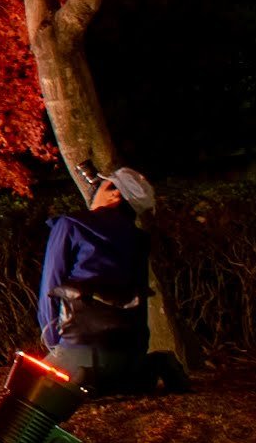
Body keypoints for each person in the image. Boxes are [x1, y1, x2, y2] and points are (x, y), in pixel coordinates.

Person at [39, 165, 173, 394]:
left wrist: (53, 342)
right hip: (127, 355)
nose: (93, 191)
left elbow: (51, 286)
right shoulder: (139, 240)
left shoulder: (69, 225)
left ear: (115, 194)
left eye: (99, 186)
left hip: (77, 347)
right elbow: (139, 297)